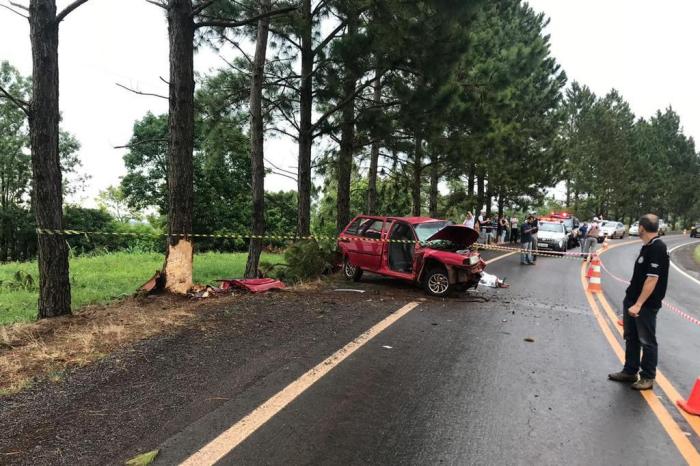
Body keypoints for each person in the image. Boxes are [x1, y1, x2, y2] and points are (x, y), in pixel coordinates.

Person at [608, 214, 669, 390]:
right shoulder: (647, 246)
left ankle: (648, 377)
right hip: (633, 300)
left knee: (647, 340)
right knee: (631, 337)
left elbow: (652, 279)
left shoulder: (657, 247)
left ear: (642, 228)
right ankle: (630, 371)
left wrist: (639, 304)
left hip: (646, 305)